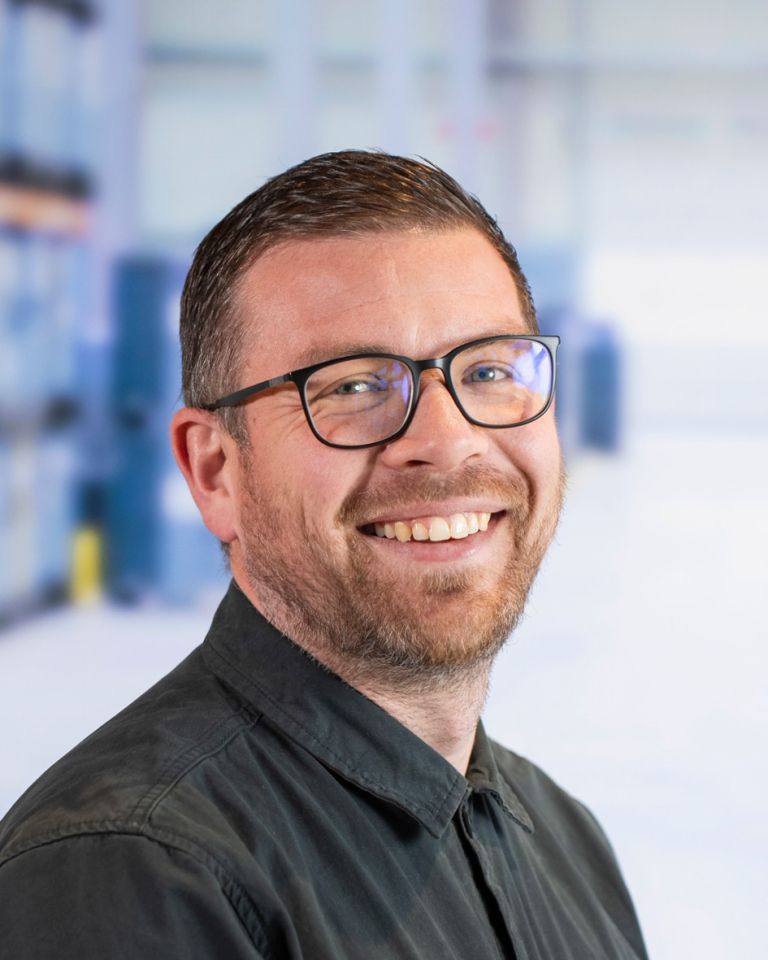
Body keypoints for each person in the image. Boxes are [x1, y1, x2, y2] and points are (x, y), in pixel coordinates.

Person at [0, 151, 648, 959]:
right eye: (350, 386)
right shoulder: (130, 873)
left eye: (487, 370)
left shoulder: (561, 838)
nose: (447, 442)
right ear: (215, 471)